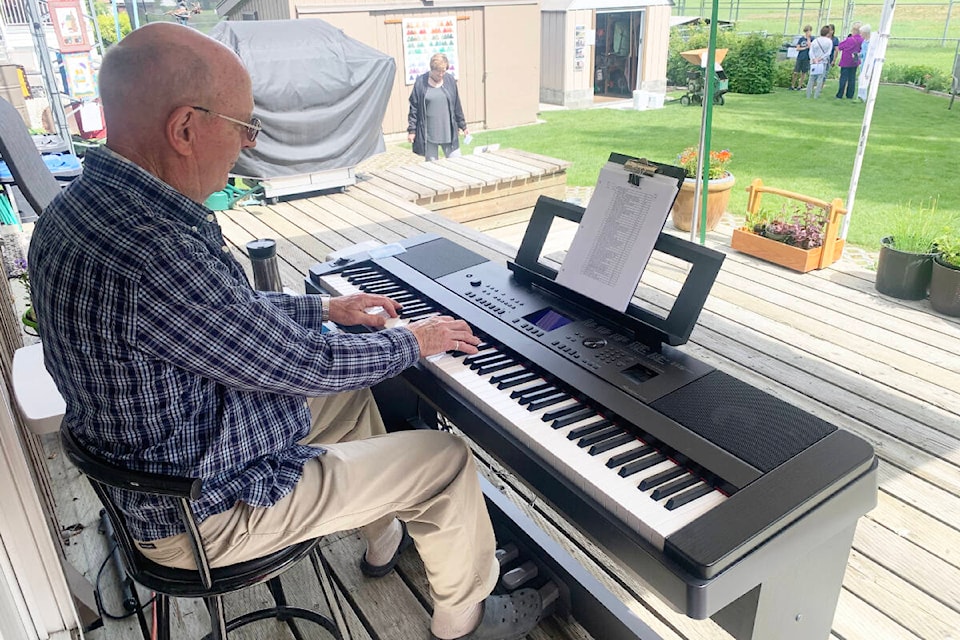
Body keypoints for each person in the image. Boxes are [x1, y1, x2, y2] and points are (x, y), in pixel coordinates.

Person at [28, 23, 542, 640]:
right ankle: (467, 621)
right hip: (204, 511)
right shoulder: (155, 250)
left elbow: (220, 318)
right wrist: (418, 340)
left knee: (352, 399)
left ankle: (384, 541)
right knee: (448, 460)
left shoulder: (76, 210)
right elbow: (300, 366)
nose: (247, 145)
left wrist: (326, 310)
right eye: (245, 126)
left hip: (168, 455)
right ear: (186, 128)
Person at [408, 53, 469, 162]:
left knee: (458, 163)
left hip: (448, 132)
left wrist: (463, 126)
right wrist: (412, 131)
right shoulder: (420, 83)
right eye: (438, 72)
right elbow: (414, 108)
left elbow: (457, 105)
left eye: (443, 71)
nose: (441, 74)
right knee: (432, 168)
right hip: (429, 134)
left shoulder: (450, 81)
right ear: (431, 69)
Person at [835, 22, 863, 99]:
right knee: (852, 78)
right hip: (855, 61)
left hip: (845, 61)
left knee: (843, 78)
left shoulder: (849, 39)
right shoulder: (862, 40)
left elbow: (840, 47)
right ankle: (850, 94)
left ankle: (840, 94)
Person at [806, 26, 834, 99]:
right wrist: (821, 58)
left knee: (811, 78)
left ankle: (808, 94)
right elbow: (828, 53)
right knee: (820, 79)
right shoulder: (829, 41)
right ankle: (816, 95)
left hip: (814, 62)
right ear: (827, 33)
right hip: (822, 62)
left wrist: (814, 59)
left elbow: (811, 51)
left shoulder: (815, 40)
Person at [791, 25, 813, 90]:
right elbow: (797, 48)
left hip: (807, 57)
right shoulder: (801, 39)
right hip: (800, 57)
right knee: (796, 72)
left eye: (808, 31)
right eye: (806, 31)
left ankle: (799, 86)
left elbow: (810, 47)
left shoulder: (812, 38)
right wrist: (804, 48)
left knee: (803, 72)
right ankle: (792, 85)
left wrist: (808, 39)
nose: (807, 33)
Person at [856, 24, 874, 101]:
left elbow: (870, 54)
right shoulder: (864, 42)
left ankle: (862, 97)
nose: (860, 35)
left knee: (865, 79)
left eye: (861, 33)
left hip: (869, 64)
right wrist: (858, 55)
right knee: (861, 79)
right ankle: (860, 96)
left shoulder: (871, 43)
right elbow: (863, 53)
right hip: (863, 63)